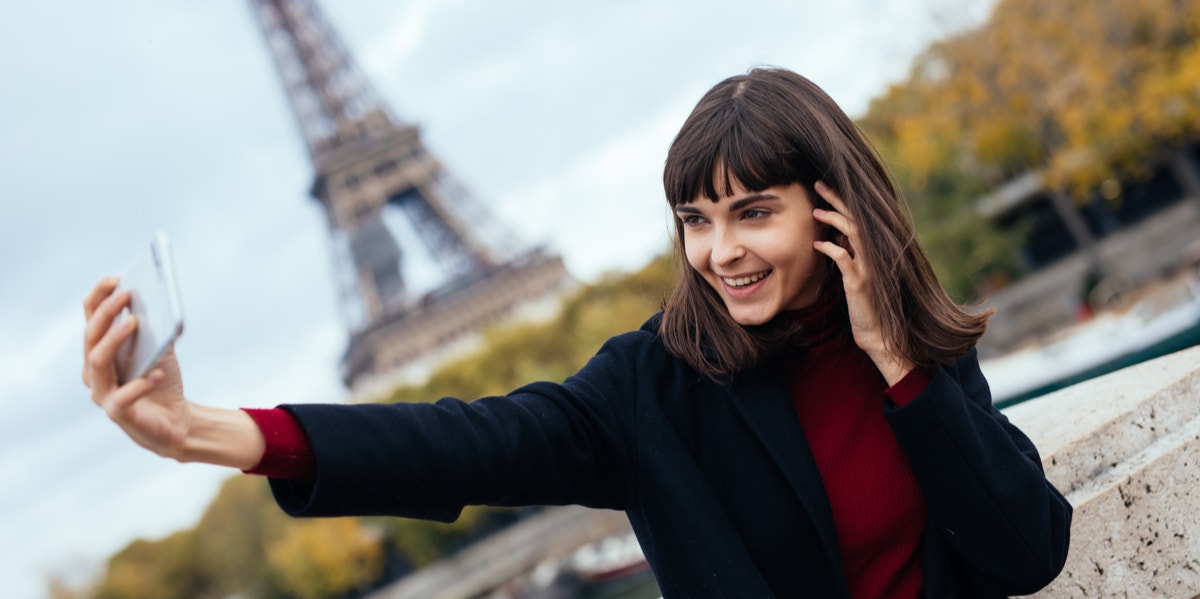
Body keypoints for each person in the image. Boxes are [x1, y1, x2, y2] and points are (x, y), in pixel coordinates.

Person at [83, 67, 1071, 598]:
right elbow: (469, 441)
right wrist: (210, 431)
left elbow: (1025, 550)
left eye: (751, 212)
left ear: (833, 209)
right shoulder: (653, 389)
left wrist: (902, 367)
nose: (719, 251)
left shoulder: (914, 351)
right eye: (694, 219)